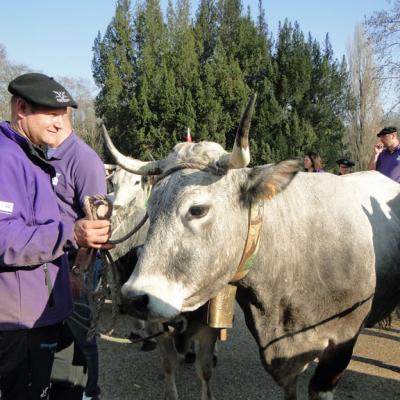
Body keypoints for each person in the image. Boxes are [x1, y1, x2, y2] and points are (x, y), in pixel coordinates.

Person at [0, 72, 111, 400]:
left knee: (73, 365)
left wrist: (77, 266)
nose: (60, 123)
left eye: (63, 114)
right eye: (50, 113)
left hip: (47, 303)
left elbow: (96, 217)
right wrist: (70, 234)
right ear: (21, 108)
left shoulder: (35, 154)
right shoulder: (7, 158)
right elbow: (5, 238)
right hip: (20, 320)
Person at [47, 109, 106, 400]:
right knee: (56, 334)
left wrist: (78, 272)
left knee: (82, 334)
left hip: (75, 264)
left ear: (61, 116)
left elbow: (98, 226)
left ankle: (89, 392)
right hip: (49, 261)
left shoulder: (84, 160)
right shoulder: (43, 153)